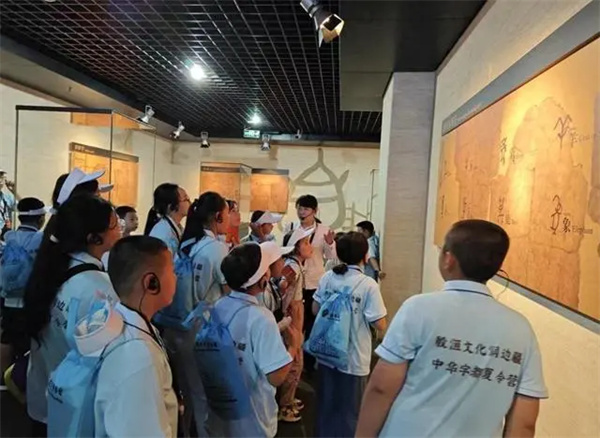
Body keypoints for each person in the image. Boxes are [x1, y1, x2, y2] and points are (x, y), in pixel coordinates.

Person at [355, 220, 548, 438]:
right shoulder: (521, 329)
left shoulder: (419, 308)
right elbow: (525, 422)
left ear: (448, 259)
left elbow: (382, 388)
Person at [23, 194, 121, 430]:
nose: (120, 230)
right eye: (114, 225)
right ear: (94, 238)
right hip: (73, 413)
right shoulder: (99, 289)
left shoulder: (51, 268)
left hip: (44, 399)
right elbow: (108, 359)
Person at [156, 191, 231, 436]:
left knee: (188, 393)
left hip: (176, 327)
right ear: (218, 216)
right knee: (204, 397)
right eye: (228, 213)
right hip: (201, 331)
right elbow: (227, 293)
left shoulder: (188, 244)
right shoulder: (217, 249)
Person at [88, 236, 178, 437]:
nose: (176, 276)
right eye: (172, 270)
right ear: (151, 283)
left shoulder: (123, 321)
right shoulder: (138, 357)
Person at [205, 242, 293, 437]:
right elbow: (276, 377)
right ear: (263, 280)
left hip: (221, 411)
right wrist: (294, 347)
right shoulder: (262, 318)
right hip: (253, 420)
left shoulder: (218, 306)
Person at [312, 231, 387, 437]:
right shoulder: (368, 285)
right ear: (365, 256)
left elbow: (315, 310)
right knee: (350, 412)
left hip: (327, 352)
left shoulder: (328, 277)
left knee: (325, 407)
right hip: (354, 358)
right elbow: (380, 324)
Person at [285, 194, 336, 373]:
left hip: (315, 282)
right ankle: (292, 359)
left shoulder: (324, 230)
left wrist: (330, 244)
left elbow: (331, 257)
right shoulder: (291, 227)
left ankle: (308, 363)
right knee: (294, 322)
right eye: (299, 208)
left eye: (305, 209)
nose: (301, 212)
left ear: (314, 211)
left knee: (312, 322)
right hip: (296, 280)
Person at [0, 198, 47, 377]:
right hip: (30, 300)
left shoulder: (9, 237)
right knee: (30, 341)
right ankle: (23, 378)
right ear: (40, 218)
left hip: (8, 298)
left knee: (7, 338)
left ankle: (3, 377)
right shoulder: (40, 239)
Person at [278, 227, 315, 423]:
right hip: (293, 313)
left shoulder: (296, 265)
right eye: (306, 243)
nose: (310, 246)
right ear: (295, 247)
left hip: (296, 311)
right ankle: (284, 405)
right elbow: (282, 283)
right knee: (294, 360)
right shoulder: (292, 266)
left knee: (296, 358)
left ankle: (289, 398)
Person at [144, 183, 191, 256]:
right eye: (186, 199)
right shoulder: (162, 232)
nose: (190, 203)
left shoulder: (177, 228)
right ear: (171, 206)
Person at [0, 169, 19, 237]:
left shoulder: (8, 198)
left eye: (2, 177)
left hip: (6, 235)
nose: (0, 180)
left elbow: (24, 208)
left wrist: (14, 192)